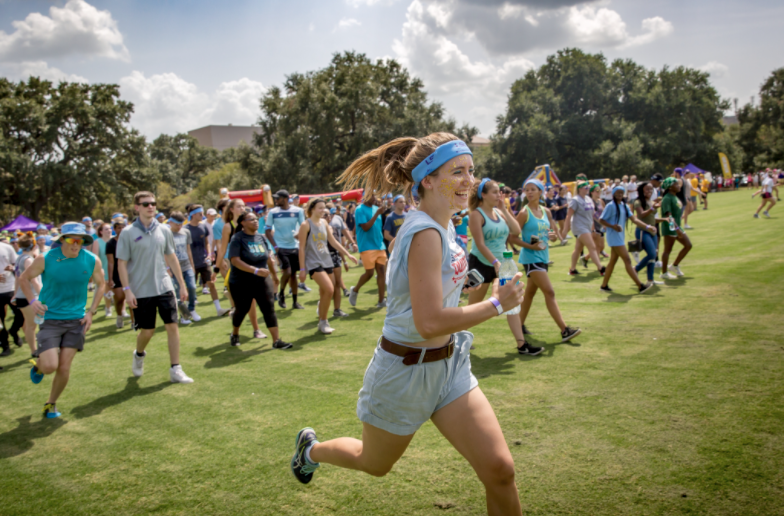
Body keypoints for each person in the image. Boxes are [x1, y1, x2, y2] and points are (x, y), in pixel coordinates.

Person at [290, 133, 526, 516]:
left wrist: (466, 281)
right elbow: (429, 321)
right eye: (457, 171)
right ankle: (311, 449)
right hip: (405, 371)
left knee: (500, 470)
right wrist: (498, 304)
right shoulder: (426, 232)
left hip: (449, 369)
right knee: (374, 463)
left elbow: (432, 288)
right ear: (427, 180)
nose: (469, 180)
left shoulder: (445, 225)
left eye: (471, 170)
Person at [23, 222, 105, 418]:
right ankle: (39, 366)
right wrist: (33, 300)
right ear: (61, 240)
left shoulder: (92, 260)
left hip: (76, 321)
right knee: (50, 366)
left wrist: (91, 312)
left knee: (64, 366)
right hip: (50, 318)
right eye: (71, 240)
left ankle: (51, 404)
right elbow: (24, 279)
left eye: (80, 241)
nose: (76, 245)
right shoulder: (45, 259)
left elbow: (102, 285)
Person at [117, 191, 193, 384]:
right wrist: (127, 290)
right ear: (137, 207)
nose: (150, 206)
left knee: (172, 326)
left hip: (164, 286)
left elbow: (171, 257)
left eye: (153, 203)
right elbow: (122, 264)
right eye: (145, 204)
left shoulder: (165, 230)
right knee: (147, 331)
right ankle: (139, 354)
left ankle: (176, 368)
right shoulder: (127, 233)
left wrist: (181, 285)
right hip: (141, 290)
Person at [465, 178, 534, 352]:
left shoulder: (500, 212)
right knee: (473, 308)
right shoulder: (476, 214)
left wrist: (504, 209)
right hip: (481, 264)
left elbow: (516, 231)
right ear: (483, 195)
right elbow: (480, 244)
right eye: (495, 192)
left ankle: (522, 344)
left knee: (512, 304)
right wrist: (495, 263)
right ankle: (457, 338)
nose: (499, 195)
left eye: (500, 192)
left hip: (502, 264)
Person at [512, 179, 580, 349]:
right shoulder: (524, 213)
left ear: (541, 192)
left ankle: (519, 325)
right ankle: (565, 330)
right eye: (527, 190)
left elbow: (551, 232)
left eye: (533, 189)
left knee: (529, 294)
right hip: (530, 258)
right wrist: (530, 246)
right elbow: (512, 237)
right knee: (549, 292)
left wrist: (553, 236)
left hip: (543, 257)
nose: (529, 192)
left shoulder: (546, 212)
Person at [228, 211, 290, 349]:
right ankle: (235, 333)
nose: (256, 221)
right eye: (251, 219)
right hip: (241, 282)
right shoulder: (237, 238)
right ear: (242, 223)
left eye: (256, 219)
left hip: (261, 280)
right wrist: (255, 270)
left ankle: (276, 341)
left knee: (269, 308)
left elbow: (268, 258)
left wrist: (274, 275)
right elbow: (235, 261)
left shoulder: (261, 237)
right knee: (242, 310)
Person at [298, 198, 359, 334]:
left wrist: (348, 254)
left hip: (327, 260)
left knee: (325, 292)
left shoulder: (325, 222)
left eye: (324, 207)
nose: (323, 210)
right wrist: (302, 269)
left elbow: (334, 241)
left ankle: (322, 313)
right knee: (330, 289)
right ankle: (323, 322)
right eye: (320, 208)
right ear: (312, 209)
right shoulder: (305, 225)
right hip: (313, 262)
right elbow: (301, 248)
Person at [218, 199, 266, 339]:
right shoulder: (229, 226)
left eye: (243, 206)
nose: (242, 208)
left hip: (252, 262)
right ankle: (238, 317)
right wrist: (217, 266)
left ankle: (255, 328)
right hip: (236, 264)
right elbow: (222, 248)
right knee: (246, 301)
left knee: (252, 300)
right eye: (239, 206)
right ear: (231, 209)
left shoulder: (250, 221)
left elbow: (258, 240)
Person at [597, 186, 654, 293]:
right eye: (618, 192)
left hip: (620, 237)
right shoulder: (610, 206)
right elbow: (601, 220)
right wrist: (613, 226)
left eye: (622, 193)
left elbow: (634, 219)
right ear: (613, 194)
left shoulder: (624, 205)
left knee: (612, 262)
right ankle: (640, 286)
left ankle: (604, 286)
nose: (620, 194)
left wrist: (647, 227)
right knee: (627, 260)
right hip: (614, 237)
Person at [185, 204, 230, 319]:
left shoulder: (203, 227)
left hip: (204, 262)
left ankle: (219, 309)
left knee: (212, 284)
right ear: (193, 215)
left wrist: (209, 255)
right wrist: (190, 264)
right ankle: (187, 313)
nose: (203, 215)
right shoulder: (185, 229)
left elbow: (207, 243)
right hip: (190, 264)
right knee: (190, 288)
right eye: (200, 213)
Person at [265, 190, 306, 310]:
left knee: (293, 275)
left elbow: (303, 227)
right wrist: (275, 247)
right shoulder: (273, 212)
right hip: (281, 247)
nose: (275, 200)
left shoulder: (298, 211)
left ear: (286, 199)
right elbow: (267, 231)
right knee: (287, 272)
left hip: (295, 246)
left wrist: (300, 235)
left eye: (278, 198)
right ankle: (281, 293)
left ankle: (295, 301)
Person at [348, 191, 387, 309]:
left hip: (379, 245)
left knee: (381, 272)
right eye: (372, 196)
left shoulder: (377, 208)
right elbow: (365, 227)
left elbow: (378, 227)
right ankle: (355, 290)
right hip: (367, 246)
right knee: (369, 273)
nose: (375, 198)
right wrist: (377, 214)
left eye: (375, 195)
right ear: (365, 197)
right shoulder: (359, 209)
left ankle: (381, 300)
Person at [563, 182, 605, 276]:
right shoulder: (575, 200)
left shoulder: (588, 199)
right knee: (592, 247)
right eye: (585, 187)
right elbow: (568, 216)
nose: (587, 188)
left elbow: (593, 215)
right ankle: (601, 268)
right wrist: (565, 230)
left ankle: (572, 270)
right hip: (579, 227)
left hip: (587, 227)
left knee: (578, 249)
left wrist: (601, 223)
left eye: (588, 187)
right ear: (580, 189)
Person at [11, 234, 40, 357]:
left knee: (28, 325)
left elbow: (18, 278)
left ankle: (35, 347)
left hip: (23, 296)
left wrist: (15, 294)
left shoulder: (20, 258)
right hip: (29, 297)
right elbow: (33, 280)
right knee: (32, 326)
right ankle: (34, 351)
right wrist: (42, 294)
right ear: (33, 245)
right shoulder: (28, 260)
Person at [659, 178, 692, 280]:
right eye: (676, 184)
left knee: (688, 245)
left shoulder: (674, 197)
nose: (679, 186)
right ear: (669, 187)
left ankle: (674, 265)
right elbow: (669, 217)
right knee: (667, 251)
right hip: (670, 227)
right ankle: (664, 273)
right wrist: (676, 229)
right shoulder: (667, 198)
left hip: (677, 226)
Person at [168, 212, 197, 325]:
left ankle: (191, 309)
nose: (179, 227)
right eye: (177, 224)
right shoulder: (167, 234)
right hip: (173, 267)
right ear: (170, 222)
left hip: (186, 265)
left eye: (181, 224)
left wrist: (192, 265)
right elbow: (164, 253)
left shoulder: (186, 232)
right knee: (178, 292)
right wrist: (167, 268)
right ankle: (183, 314)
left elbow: (188, 249)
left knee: (192, 287)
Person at [634, 183, 664, 287]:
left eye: (651, 189)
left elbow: (651, 219)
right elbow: (641, 215)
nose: (649, 191)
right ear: (642, 190)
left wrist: (664, 219)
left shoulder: (651, 202)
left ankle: (650, 280)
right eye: (647, 189)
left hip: (653, 231)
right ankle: (635, 269)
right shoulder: (638, 202)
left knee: (653, 256)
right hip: (643, 231)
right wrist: (652, 208)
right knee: (651, 254)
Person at [105, 220, 132, 329]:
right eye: (118, 228)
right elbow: (111, 262)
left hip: (130, 271)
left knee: (132, 297)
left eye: (122, 227)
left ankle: (134, 321)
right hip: (117, 272)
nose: (121, 230)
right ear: (114, 229)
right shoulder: (110, 243)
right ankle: (120, 315)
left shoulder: (131, 241)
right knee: (119, 297)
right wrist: (110, 278)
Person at [0, 235, 23, 357]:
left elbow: (18, 266)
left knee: (20, 315)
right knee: (0, 323)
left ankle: (14, 331)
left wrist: (12, 268)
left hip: (10, 289)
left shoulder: (6, 247)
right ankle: (5, 346)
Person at [327, 208, 353, 310]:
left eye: (329, 215)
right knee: (329, 286)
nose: (329, 217)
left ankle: (337, 310)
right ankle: (322, 306)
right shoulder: (315, 227)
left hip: (335, 255)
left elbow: (337, 245)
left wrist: (347, 258)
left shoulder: (333, 228)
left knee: (337, 284)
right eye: (326, 215)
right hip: (323, 258)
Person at [91, 223, 113, 317]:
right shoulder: (97, 241)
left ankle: (122, 310)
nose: (109, 230)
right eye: (106, 229)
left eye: (110, 229)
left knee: (120, 291)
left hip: (116, 269)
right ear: (101, 232)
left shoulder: (115, 239)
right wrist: (98, 270)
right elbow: (95, 257)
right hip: (104, 269)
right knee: (107, 291)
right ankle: (108, 308)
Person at [589, 185, 607, 259]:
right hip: (594, 226)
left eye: (600, 190)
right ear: (592, 192)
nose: (599, 192)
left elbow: (605, 211)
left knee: (601, 246)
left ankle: (586, 258)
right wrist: (593, 230)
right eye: (597, 190)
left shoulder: (600, 201)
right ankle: (599, 265)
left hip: (601, 226)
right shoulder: (590, 202)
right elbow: (591, 217)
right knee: (597, 246)